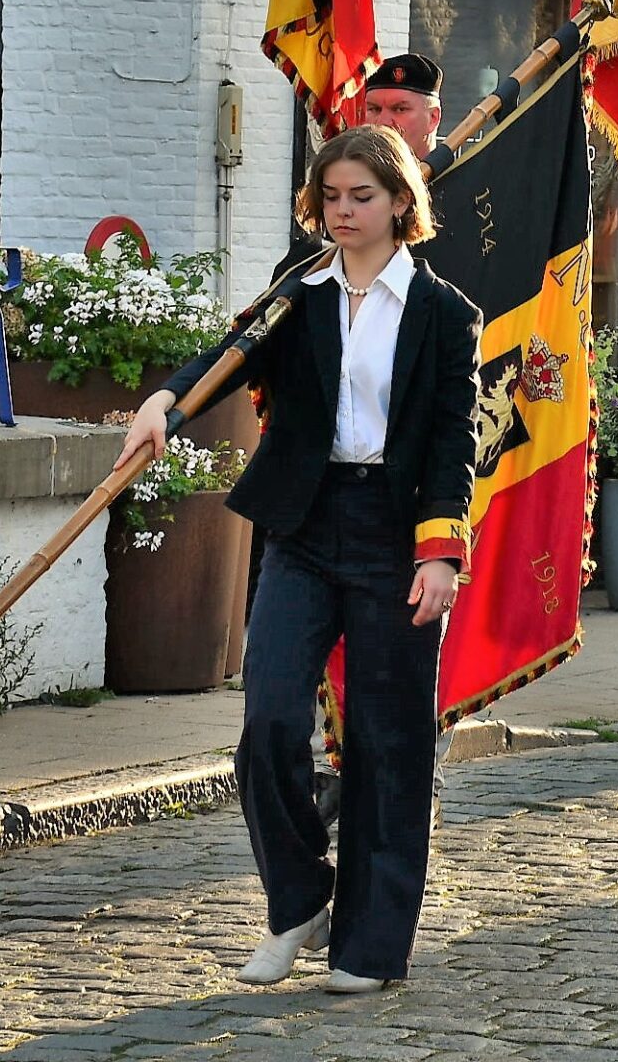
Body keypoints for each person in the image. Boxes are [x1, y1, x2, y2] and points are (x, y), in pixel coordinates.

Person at [118, 124, 477, 994]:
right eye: (331, 198)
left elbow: (450, 442)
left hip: (398, 537)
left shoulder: (445, 314)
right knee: (270, 719)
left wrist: (440, 555)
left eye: (361, 197)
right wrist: (164, 399)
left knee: (391, 747)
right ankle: (299, 901)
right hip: (306, 528)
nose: (343, 213)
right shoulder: (298, 293)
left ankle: (369, 948)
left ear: (400, 203)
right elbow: (226, 355)